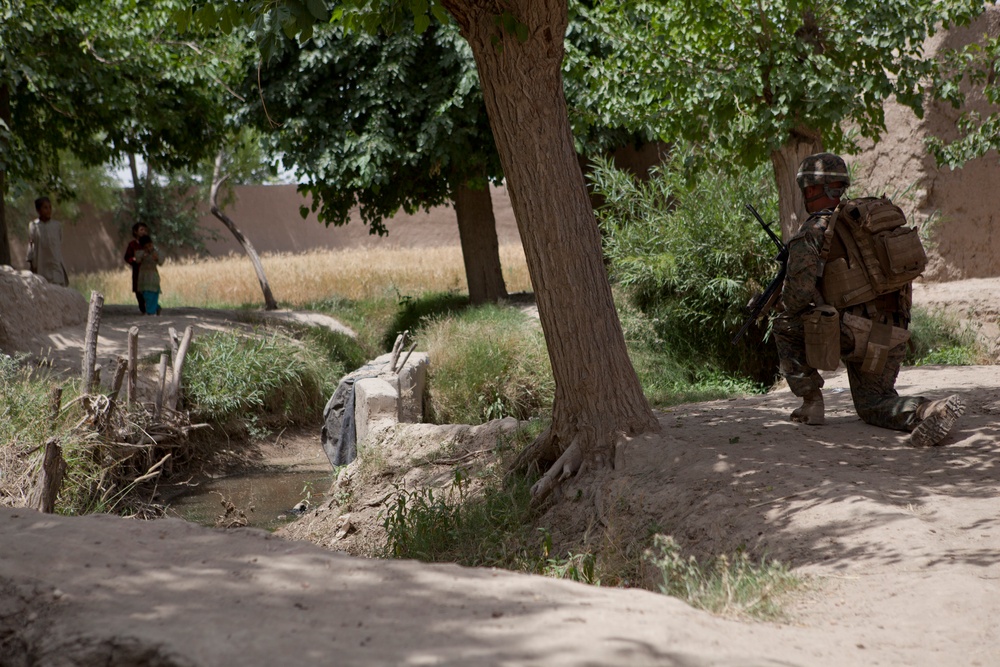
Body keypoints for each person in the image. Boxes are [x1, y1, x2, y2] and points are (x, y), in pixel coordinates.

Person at [772, 152, 964, 447]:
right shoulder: (868, 224)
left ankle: (812, 403)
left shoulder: (814, 232)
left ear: (810, 189)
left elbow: (795, 301)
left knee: (785, 324)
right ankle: (929, 410)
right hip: (892, 336)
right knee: (874, 403)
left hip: (853, 336)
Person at [25, 196, 69, 286]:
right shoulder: (34, 225)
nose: (48, 210)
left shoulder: (57, 226)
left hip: (55, 266)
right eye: (45, 208)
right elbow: (31, 244)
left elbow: (59, 242)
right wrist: (31, 264)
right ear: (38, 210)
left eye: (50, 207)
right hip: (40, 266)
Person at [124, 222, 150, 314]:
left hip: (148, 271)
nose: (143, 232)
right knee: (139, 291)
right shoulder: (132, 245)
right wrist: (133, 259)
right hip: (137, 271)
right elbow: (127, 257)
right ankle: (143, 309)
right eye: (141, 230)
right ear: (135, 232)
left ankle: (150, 308)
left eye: (145, 230)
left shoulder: (148, 244)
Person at [134, 234, 162, 316]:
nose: (149, 248)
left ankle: (150, 312)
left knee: (152, 294)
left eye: (150, 245)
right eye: (146, 247)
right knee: (146, 295)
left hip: (153, 277)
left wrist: (156, 257)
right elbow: (137, 260)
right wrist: (144, 255)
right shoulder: (139, 253)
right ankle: (155, 307)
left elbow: (161, 262)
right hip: (144, 277)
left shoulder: (156, 252)